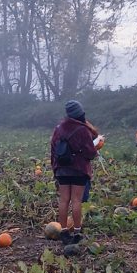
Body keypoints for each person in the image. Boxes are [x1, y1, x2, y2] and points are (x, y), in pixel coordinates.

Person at [50, 100, 103, 245]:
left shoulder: (59, 128)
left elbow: (53, 149)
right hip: (78, 169)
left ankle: (63, 232)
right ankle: (77, 232)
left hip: (62, 169)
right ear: (80, 113)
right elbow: (90, 153)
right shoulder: (82, 130)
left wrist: (55, 168)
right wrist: (97, 148)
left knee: (64, 200)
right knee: (76, 201)